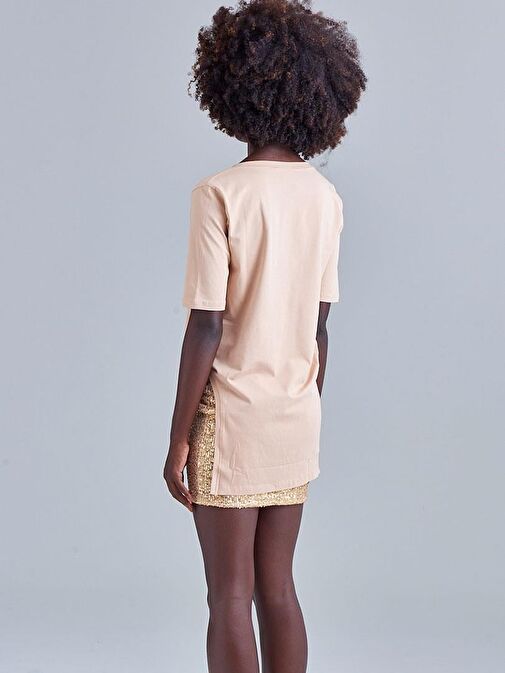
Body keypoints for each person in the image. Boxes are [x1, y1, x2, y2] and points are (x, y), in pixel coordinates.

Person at [163, 1, 366, 671]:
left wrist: (178, 438)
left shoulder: (219, 194)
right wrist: (300, 404)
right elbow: (319, 326)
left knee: (229, 594)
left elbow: (206, 325)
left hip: (232, 418)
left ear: (231, 89)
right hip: (294, 415)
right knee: (278, 589)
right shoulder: (323, 198)